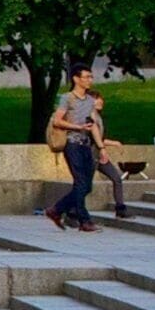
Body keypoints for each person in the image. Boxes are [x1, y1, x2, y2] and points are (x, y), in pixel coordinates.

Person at [44, 71, 107, 231]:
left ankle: (56, 210)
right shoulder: (67, 98)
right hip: (72, 144)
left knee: (86, 186)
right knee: (80, 182)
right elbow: (58, 121)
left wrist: (101, 148)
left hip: (86, 145)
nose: (89, 80)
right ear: (76, 79)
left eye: (91, 77)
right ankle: (84, 221)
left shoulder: (91, 101)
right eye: (86, 77)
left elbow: (93, 126)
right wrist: (77, 127)